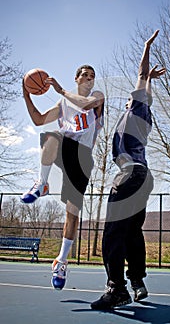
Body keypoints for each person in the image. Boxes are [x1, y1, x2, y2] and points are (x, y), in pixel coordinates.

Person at [91, 30, 166, 310]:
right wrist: (149, 84)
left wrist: (146, 49)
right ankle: (137, 281)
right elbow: (146, 86)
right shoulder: (140, 115)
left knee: (112, 233)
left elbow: (142, 75)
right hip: (142, 178)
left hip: (130, 175)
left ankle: (116, 289)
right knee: (132, 232)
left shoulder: (137, 108)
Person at [20, 65, 104, 290]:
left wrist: (60, 90)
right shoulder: (63, 104)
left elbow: (85, 104)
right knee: (51, 137)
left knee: (73, 214)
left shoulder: (97, 97)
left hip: (83, 157)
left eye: (92, 76)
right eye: (85, 75)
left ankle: (61, 261)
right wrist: (27, 95)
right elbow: (38, 120)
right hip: (65, 146)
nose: (89, 79)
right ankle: (41, 183)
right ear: (76, 78)